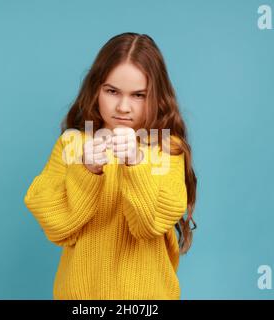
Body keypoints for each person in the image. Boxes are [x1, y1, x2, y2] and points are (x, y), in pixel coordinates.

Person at [23, 32, 197, 300]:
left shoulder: (165, 148)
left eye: (138, 95)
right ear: (96, 89)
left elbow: (148, 225)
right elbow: (57, 226)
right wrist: (86, 172)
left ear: (156, 97)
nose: (123, 107)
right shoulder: (73, 145)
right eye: (112, 91)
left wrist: (135, 163)